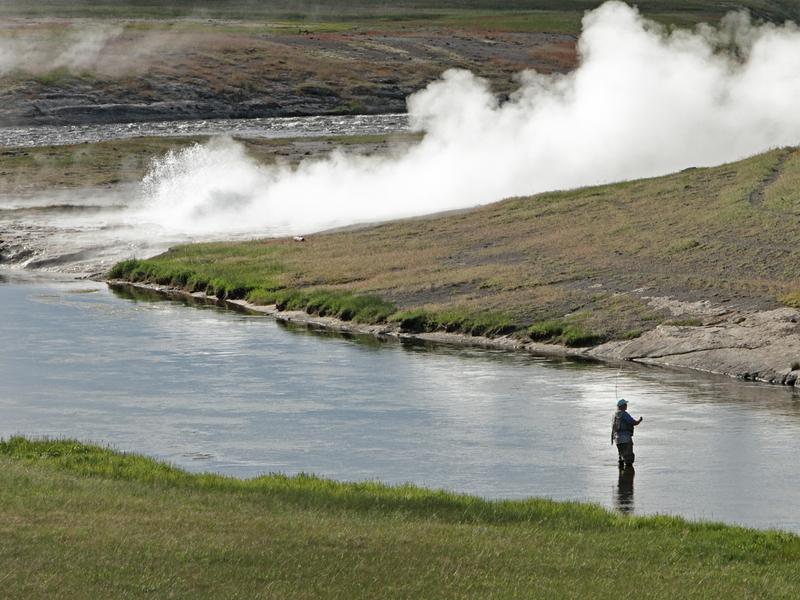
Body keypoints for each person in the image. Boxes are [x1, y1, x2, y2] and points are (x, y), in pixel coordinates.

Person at [611, 398, 642, 469]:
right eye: (625, 404)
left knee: (621, 458)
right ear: (622, 406)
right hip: (626, 439)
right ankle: (628, 476)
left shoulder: (614, 415)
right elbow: (633, 422)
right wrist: (639, 420)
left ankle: (621, 475)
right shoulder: (624, 414)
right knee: (629, 459)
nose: (626, 406)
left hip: (617, 439)